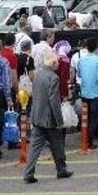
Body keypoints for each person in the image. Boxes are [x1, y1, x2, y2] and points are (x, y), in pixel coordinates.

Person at [23, 52, 73, 183]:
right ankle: (61, 169)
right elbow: (54, 101)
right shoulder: (53, 77)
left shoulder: (38, 75)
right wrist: (60, 120)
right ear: (53, 63)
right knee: (57, 145)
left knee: (35, 146)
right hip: (49, 118)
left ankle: (28, 172)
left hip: (37, 115)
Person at [76, 37, 98, 149]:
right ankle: (90, 141)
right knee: (93, 117)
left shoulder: (81, 60)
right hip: (95, 92)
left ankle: (84, 138)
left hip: (84, 91)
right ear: (96, 48)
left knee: (85, 117)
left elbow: (80, 75)